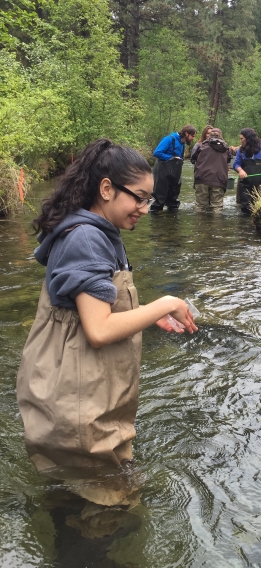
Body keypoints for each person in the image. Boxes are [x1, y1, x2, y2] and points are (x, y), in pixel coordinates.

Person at [17, 138, 197, 496]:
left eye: (149, 199)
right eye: (139, 197)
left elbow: (92, 305)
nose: (145, 208)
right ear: (105, 189)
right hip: (80, 407)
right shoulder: (87, 238)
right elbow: (98, 330)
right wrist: (165, 304)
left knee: (81, 498)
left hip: (81, 400)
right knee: (106, 511)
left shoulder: (93, 231)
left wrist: (142, 315)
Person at [151, 124, 197, 211]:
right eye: (192, 136)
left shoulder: (183, 143)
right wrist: (171, 158)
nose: (193, 138)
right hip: (162, 173)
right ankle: (156, 221)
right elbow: (157, 153)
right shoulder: (169, 139)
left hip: (175, 173)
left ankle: (173, 220)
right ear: (186, 133)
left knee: (173, 200)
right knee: (158, 200)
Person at [233, 128, 261, 212]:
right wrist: (240, 170)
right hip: (245, 185)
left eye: (241, 139)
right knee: (246, 209)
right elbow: (236, 164)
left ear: (248, 138)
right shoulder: (241, 150)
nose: (240, 141)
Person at [190, 127, 232, 213]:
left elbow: (193, 159)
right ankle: (216, 225)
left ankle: (199, 224)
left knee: (200, 206)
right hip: (219, 179)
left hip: (202, 178)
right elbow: (228, 162)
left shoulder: (201, 145)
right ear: (221, 136)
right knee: (217, 207)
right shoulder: (226, 148)